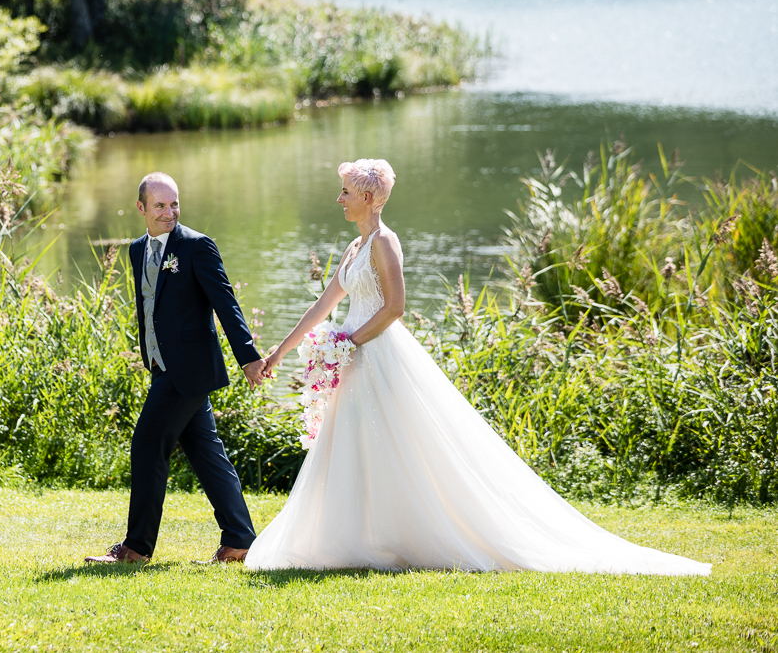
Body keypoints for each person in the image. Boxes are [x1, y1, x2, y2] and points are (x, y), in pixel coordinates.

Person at [245, 159, 711, 575]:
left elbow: (394, 308)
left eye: (346, 191)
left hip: (377, 353)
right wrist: (280, 353)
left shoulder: (385, 243)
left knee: (401, 443)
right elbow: (324, 305)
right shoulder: (354, 246)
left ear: (368, 197)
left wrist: (350, 342)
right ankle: (358, 537)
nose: (339, 198)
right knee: (352, 443)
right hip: (352, 357)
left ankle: (410, 535)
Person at [85, 172, 267, 565]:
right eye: (160, 206)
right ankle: (239, 539)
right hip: (163, 368)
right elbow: (150, 307)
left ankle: (136, 549)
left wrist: (248, 356)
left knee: (147, 446)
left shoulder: (196, 246)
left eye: (174, 204)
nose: (169, 213)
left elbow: (226, 303)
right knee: (206, 452)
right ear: (141, 209)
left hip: (190, 369)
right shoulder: (137, 250)